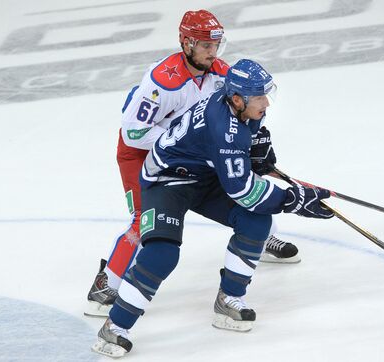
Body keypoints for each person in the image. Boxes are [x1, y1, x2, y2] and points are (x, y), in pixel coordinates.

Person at [91, 59, 334, 358]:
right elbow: (242, 189)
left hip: (204, 175)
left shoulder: (243, 110)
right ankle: (114, 327)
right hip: (166, 181)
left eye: (265, 94)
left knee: (256, 222)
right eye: (258, 96)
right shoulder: (224, 128)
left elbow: (247, 154)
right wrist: (292, 200)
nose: (265, 102)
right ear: (236, 98)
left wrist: (259, 151)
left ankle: (229, 300)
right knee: (162, 253)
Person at [85, 10, 299, 318]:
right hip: (141, 151)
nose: (213, 54)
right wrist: (194, 143)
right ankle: (107, 284)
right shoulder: (162, 80)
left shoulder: (221, 73)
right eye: (205, 46)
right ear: (186, 43)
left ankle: (261, 238)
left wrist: (256, 141)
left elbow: (243, 107)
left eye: (216, 46)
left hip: (187, 148)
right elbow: (133, 132)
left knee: (238, 178)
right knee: (144, 216)